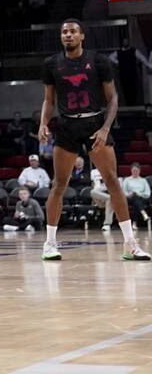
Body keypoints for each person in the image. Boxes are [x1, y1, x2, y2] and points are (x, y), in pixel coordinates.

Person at [39, 19, 149, 262]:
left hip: (95, 123)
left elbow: (112, 99)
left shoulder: (98, 61)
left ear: (82, 36)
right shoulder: (51, 64)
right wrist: (44, 123)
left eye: (73, 31)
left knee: (112, 181)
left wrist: (105, 128)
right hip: (67, 125)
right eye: (64, 32)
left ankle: (130, 244)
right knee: (59, 184)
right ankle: (49, 244)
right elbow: (49, 99)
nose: (68, 35)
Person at [121, 162, 150, 226]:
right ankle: (144, 213)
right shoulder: (127, 180)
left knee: (136, 201)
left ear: (139, 171)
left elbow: (147, 193)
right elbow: (123, 191)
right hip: (129, 198)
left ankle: (134, 223)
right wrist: (129, 195)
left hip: (141, 197)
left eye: (137, 170)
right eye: (134, 170)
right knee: (134, 197)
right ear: (131, 171)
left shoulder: (143, 180)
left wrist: (140, 194)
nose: (135, 172)